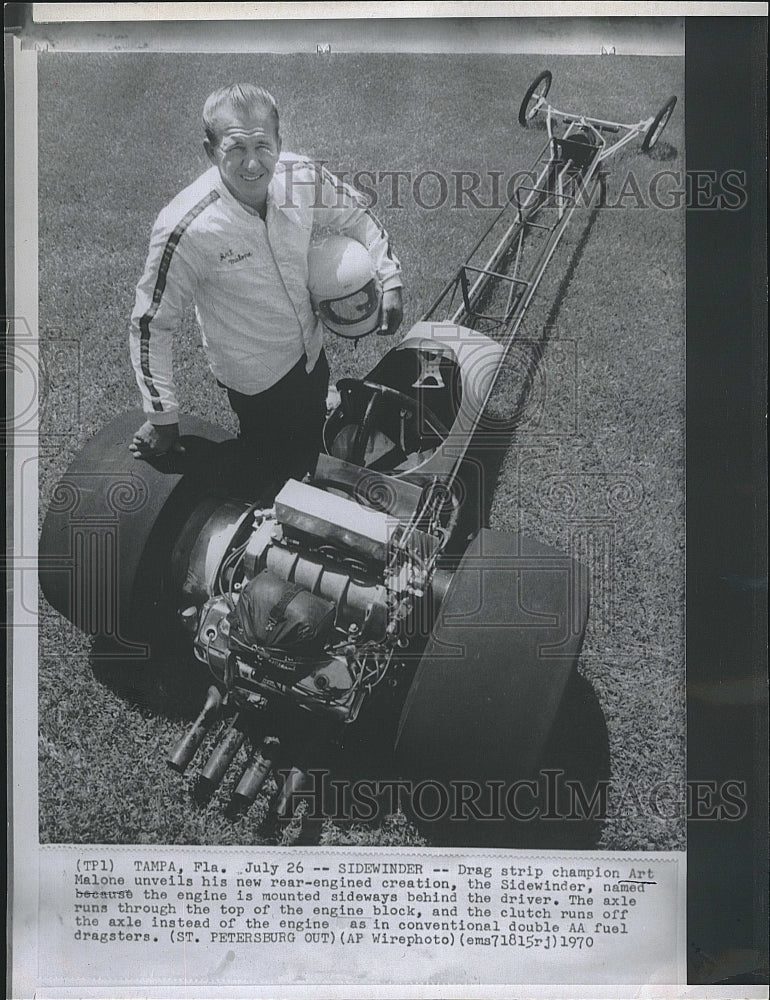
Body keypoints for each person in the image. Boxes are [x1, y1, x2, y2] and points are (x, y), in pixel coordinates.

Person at [128, 83, 403, 480]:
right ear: (210, 151)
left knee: (309, 437)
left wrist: (390, 279)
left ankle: (310, 440)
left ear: (279, 141)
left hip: (311, 355)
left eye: (262, 146)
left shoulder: (301, 176)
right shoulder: (185, 227)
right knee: (272, 470)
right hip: (256, 383)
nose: (252, 163)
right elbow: (152, 323)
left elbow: (357, 215)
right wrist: (161, 415)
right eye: (236, 148)